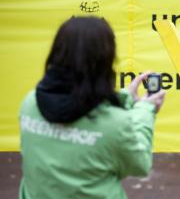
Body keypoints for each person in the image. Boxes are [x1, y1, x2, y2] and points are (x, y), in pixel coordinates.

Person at [18, 16, 166, 199]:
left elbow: (76, 100)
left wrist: (125, 97)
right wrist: (145, 109)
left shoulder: (29, 104)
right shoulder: (114, 124)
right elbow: (140, 164)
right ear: (105, 59)